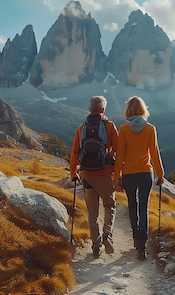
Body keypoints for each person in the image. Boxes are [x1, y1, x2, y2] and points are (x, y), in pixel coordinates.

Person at [113, 96, 165, 261]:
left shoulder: (123, 129)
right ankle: (142, 245)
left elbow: (120, 154)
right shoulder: (150, 129)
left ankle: (136, 240)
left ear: (128, 110)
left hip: (128, 174)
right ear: (143, 110)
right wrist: (160, 174)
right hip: (145, 173)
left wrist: (116, 176)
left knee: (133, 206)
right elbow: (154, 153)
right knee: (144, 207)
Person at [70, 95, 119, 258]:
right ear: (103, 110)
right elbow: (119, 151)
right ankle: (107, 235)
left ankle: (96, 246)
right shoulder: (109, 126)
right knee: (110, 206)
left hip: (87, 175)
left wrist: (73, 172)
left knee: (92, 213)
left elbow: (75, 152)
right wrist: (118, 174)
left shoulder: (81, 127)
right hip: (104, 174)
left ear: (89, 109)